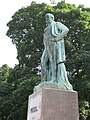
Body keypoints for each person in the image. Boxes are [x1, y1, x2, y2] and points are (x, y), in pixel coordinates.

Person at [41, 13, 72, 90]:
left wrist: (57, 38)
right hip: (47, 46)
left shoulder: (56, 24)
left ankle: (54, 80)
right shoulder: (46, 28)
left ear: (52, 18)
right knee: (43, 62)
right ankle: (43, 81)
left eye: (48, 17)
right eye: (46, 18)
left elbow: (66, 30)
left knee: (53, 61)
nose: (46, 19)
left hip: (53, 44)